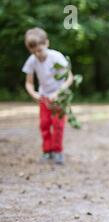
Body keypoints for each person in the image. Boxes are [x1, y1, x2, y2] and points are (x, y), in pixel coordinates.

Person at [22, 27, 73, 165]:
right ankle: (47, 151)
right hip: (44, 97)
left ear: (46, 44)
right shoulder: (32, 61)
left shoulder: (56, 57)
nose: (37, 54)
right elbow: (29, 83)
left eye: (40, 50)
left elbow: (69, 77)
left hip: (60, 98)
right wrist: (34, 94)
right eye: (33, 51)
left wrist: (59, 92)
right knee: (44, 124)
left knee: (58, 124)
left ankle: (58, 151)